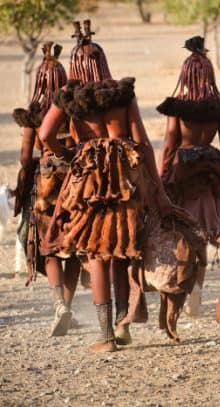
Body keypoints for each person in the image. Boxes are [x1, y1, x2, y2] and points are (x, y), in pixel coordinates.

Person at [39, 20, 172, 353]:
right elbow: (141, 142)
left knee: (96, 253)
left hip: (88, 181)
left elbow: (44, 136)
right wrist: (156, 188)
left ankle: (106, 337)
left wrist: (70, 154)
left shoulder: (67, 96)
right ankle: (123, 322)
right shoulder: (122, 94)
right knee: (123, 247)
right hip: (124, 177)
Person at [157, 36, 220, 317]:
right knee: (205, 232)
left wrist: (161, 175)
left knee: (183, 232)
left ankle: (182, 285)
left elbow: (169, 144)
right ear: (209, 74)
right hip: (209, 171)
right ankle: (198, 289)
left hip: (182, 172)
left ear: (185, 74)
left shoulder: (178, 107)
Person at [13, 41, 82, 337]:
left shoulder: (34, 114)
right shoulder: (76, 110)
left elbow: (26, 159)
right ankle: (67, 304)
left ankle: (59, 305)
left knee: (49, 247)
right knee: (76, 246)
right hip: (76, 185)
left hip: (45, 188)